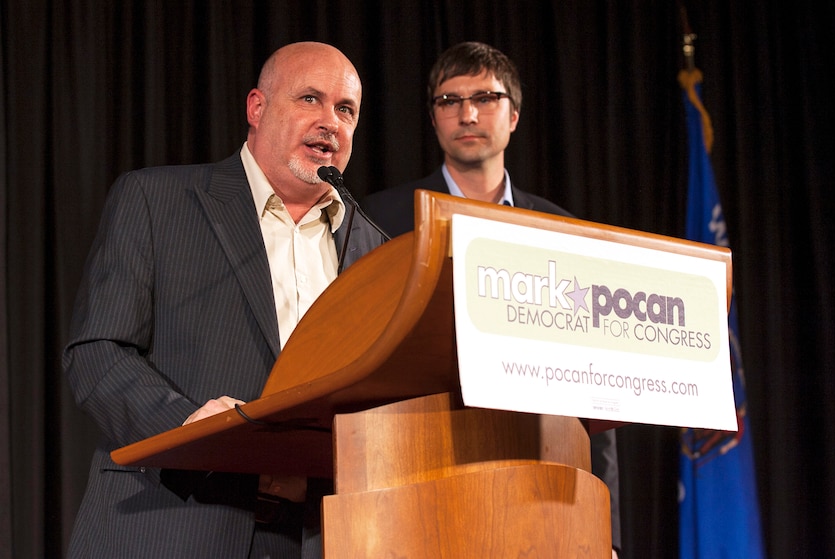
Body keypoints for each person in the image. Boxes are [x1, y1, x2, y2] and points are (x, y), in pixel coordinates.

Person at [63, 42, 385, 559]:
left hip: (320, 535)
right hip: (174, 522)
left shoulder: (375, 251)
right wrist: (190, 428)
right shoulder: (156, 200)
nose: (330, 122)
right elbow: (98, 352)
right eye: (309, 99)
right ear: (257, 108)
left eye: (345, 110)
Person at [362, 40, 623, 557]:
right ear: (434, 118)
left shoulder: (563, 230)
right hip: (414, 475)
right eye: (449, 100)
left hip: (539, 483)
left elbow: (595, 386)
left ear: (515, 115)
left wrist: (606, 526)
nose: (468, 113)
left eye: (485, 96)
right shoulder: (379, 220)